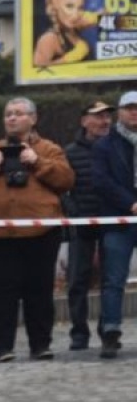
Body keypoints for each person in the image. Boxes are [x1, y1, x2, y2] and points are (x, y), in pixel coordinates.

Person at [0, 97, 74, 362]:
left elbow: (66, 179)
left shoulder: (49, 149)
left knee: (39, 291)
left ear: (33, 119)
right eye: (8, 114)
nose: (12, 118)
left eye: (18, 113)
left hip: (41, 234)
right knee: (0, 293)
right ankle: (1, 348)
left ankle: (40, 345)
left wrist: (37, 162)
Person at [62, 101, 114, 351]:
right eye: (98, 116)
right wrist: (73, 212)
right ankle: (78, 333)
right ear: (84, 121)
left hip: (112, 222)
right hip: (81, 224)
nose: (104, 121)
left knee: (110, 279)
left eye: (107, 116)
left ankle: (108, 330)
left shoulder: (116, 149)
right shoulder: (69, 152)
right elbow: (61, 188)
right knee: (77, 280)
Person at [89, 91, 137, 359]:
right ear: (120, 112)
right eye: (129, 108)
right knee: (113, 280)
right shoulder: (105, 145)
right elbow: (100, 181)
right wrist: (130, 204)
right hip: (118, 220)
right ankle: (110, 332)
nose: (134, 112)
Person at [33, 0, 98, 69]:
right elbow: (37, 73)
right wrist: (68, 59)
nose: (75, 15)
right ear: (54, 3)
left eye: (80, 8)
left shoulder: (76, 24)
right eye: (69, 6)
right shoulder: (49, 39)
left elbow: (121, 22)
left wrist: (98, 17)